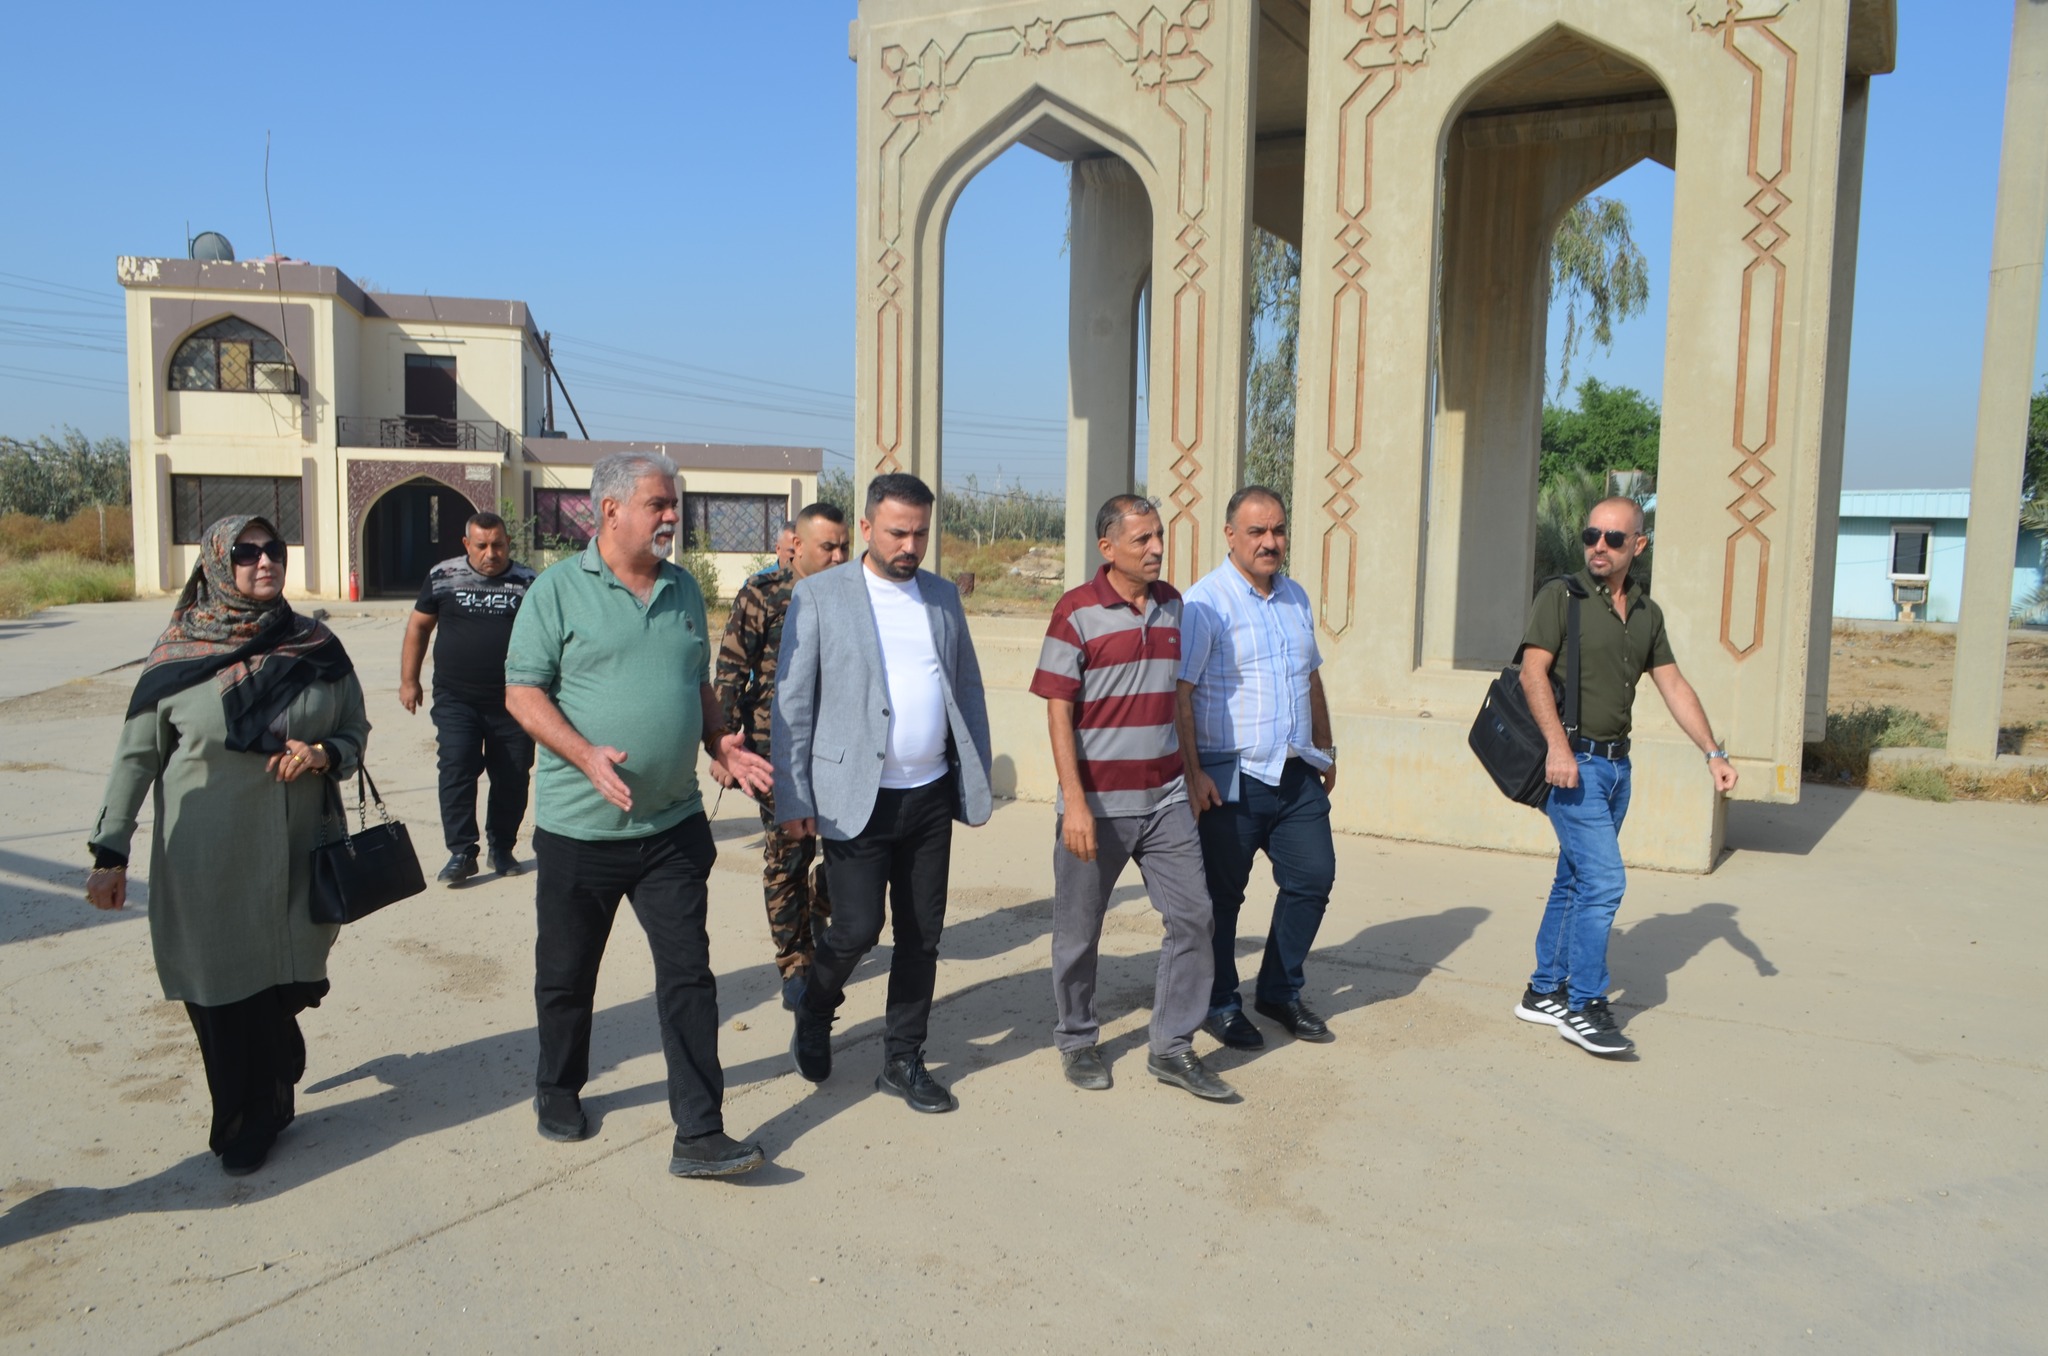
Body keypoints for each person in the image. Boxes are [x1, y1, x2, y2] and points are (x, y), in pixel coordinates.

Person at [504, 450, 774, 1177]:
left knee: (689, 977)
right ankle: (558, 1085)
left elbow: (696, 685)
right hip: (580, 831)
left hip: (673, 829)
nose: (670, 517)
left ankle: (700, 1132)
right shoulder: (558, 591)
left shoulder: (685, 589)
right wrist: (585, 753)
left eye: (673, 504)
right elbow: (523, 693)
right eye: (657, 504)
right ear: (611, 510)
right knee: (567, 974)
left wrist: (720, 741)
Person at [86, 515, 369, 1176]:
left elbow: (355, 729)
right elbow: (135, 760)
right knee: (219, 990)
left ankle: (275, 1060)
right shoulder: (177, 654)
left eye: (274, 550)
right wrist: (110, 852)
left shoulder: (316, 645)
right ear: (218, 562)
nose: (264, 562)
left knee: (277, 983)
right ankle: (245, 1117)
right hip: (207, 855)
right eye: (246, 553)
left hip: (298, 844)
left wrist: (327, 752)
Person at [772, 472, 992, 1114]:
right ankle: (816, 1005)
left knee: (923, 933)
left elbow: (967, 688)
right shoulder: (820, 596)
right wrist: (795, 798)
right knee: (859, 927)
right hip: (851, 796)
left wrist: (970, 775)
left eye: (921, 532)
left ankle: (902, 1057)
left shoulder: (943, 597)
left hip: (927, 795)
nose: (910, 545)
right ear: (867, 528)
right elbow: (794, 703)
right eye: (898, 531)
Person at [1512, 496, 1739, 1057]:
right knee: (1605, 882)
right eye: (1592, 535)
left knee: (1575, 878)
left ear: (1638, 545)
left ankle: (1544, 991)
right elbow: (1532, 673)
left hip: (1617, 768)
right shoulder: (1560, 597)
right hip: (1574, 765)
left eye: (1614, 539)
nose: (1599, 547)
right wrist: (1558, 749)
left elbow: (1674, 686)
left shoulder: (1646, 612)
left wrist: (1713, 752)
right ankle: (1585, 1004)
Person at [1031, 495, 1232, 1101]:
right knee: (1078, 931)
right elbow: (1058, 711)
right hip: (1098, 804)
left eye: (1159, 537)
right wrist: (1074, 801)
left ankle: (1172, 1046)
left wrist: (1192, 773)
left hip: (1166, 796)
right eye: (1142, 539)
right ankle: (1076, 1038)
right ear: (1108, 547)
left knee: (1194, 917)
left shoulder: (1174, 606)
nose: (1156, 549)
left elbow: (1177, 698)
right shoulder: (1076, 613)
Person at [1177, 485, 1339, 1051]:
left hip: (1294, 774)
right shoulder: (1204, 603)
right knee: (1222, 898)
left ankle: (1278, 990)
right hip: (1232, 776)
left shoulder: (1295, 596)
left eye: (1278, 530)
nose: (1270, 542)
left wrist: (1327, 744)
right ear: (1230, 535)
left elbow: (1310, 674)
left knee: (1313, 878)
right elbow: (1181, 693)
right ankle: (1218, 1003)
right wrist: (1193, 772)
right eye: (1256, 532)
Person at [714, 502, 852, 1011]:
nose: (839, 556)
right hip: (778, 748)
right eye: (827, 547)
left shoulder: (856, 592)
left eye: (844, 547)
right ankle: (795, 962)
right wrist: (724, 743)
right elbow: (730, 667)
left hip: (842, 750)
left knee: (849, 857)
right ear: (797, 546)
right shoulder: (764, 593)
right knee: (787, 856)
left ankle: (819, 903)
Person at [398, 510, 538, 884]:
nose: (491, 553)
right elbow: (419, 627)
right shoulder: (442, 576)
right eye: (482, 546)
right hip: (456, 699)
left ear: (509, 543)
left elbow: (548, 637)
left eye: (498, 545)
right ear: (467, 545)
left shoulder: (528, 582)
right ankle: (462, 852)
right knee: (456, 768)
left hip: (514, 702)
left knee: (512, 775)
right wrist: (408, 680)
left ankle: (502, 847)